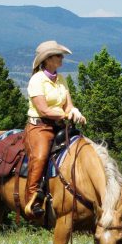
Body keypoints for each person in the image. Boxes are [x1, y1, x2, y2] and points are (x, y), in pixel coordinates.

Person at [23, 40, 86, 219]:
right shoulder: (37, 80)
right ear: (48, 59)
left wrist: (74, 112)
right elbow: (43, 109)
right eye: (58, 55)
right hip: (40, 127)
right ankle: (32, 199)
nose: (61, 58)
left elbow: (68, 105)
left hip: (58, 125)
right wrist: (65, 115)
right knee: (40, 156)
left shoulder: (61, 79)